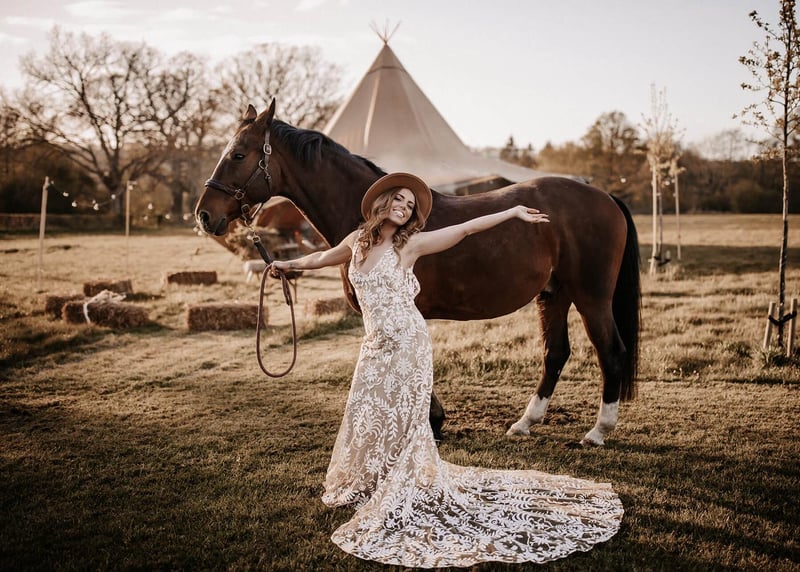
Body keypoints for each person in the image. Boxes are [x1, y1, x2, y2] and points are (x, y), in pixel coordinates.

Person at [269, 172, 623, 568]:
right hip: (375, 346)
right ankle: (372, 478)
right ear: (382, 202)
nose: (404, 208)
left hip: (407, 343)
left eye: (410, 206)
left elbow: (466, 229)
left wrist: (512, 213)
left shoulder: (410, 245)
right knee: (369, 410)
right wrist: (287, 263)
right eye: (399, 200)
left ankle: (402, 482)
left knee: (403, 416)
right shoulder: (356, 241)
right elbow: (321, 258)